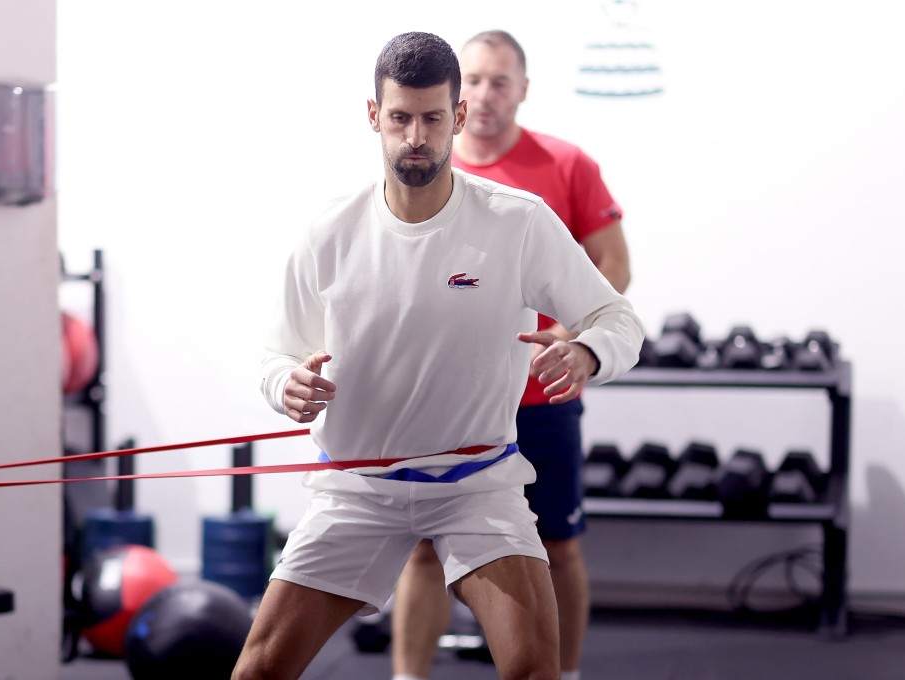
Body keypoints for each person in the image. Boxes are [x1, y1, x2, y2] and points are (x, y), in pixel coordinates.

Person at [233, 31, 643, 680]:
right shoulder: (328, 233)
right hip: (357, 488)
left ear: (457, 118)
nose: (415, 136)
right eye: (399, 118)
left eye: (431, 118)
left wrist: (589, 351)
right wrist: (284, 383)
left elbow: (616, 317)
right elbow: (274, 353)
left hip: (476, 484)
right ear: (375, 117)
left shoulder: (518, 222)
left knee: (537, 668)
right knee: (257, 670)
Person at [391, 30, 631, 680]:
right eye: (472, 80)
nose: (485, 93)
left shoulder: (566, 164)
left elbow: (612, 265)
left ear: (523, 89)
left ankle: (566, 673)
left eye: (500, 81)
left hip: (538, 394)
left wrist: (579, 336)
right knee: (422, 550)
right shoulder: (428, 170)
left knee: (557, 546)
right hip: (447, 404)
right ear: (455, 96)